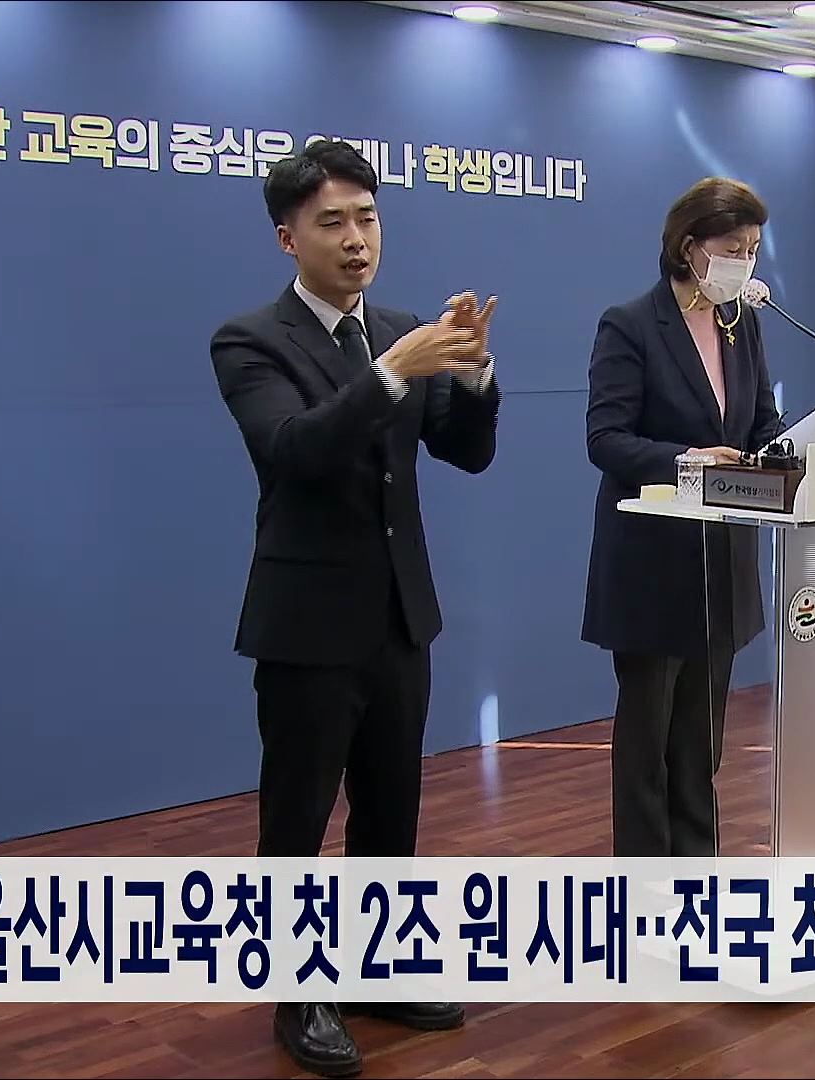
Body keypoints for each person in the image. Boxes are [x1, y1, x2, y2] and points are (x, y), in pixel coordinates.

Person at [209, 138, 500, 1078]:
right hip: (306, 622)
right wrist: (391, 373)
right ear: (286, 237)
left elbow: (466, 452)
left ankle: (378, 967)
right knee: (296, 819)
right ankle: (298, 993)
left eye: (367, 218)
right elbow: (294, 451)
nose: (355, 239)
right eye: (331, 222)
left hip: (399, 617)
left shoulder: (402, 328)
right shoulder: (250, 340)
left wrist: (474, 374)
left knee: (390, 809)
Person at [582, 177, 784, 858]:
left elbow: (760, 422)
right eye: (732, 249)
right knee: (649, 747)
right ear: (689, 246)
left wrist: (789, 449)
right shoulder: (631, 324)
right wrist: (688, 460)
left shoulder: (742, 323)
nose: (744, 263)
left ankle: (698, 880)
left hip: (720, 562)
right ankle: (645, 892)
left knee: (701, 746)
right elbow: (605, 439)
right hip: (652, 562)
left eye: (753, 250)